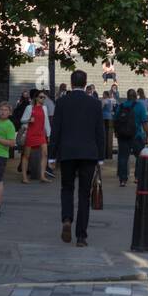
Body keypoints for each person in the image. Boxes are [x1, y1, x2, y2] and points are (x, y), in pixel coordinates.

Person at [50, 69, 105, 247]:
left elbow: (56, 130)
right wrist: (101, 157)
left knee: (66, 188)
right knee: (84, 194)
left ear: (72, 83)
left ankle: (67, 219)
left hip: (67, 153)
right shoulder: (95, 104)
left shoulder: (62, 102)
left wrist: (52, 156)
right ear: (85, 82)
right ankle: (81, 236)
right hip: (89, 154)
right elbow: (100, 133)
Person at [113, 88, 148, 187]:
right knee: (140, 156)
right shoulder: (140, 106)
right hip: (136, 136)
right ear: (136, 97)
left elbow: (115, 120)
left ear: (127, 96)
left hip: (123, 136)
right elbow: (145, 122)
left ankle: (123, 180)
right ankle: (137, 177)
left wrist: (116, 132)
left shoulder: (121, 106)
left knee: (123, 158)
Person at [19, 91, 50, 183]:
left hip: (41, 134)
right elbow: (22, 120)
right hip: (31, 134)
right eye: (41, 97)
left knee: (45, 154)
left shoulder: (44, 108)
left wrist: (48, 134)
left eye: (44, 97)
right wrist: (29, 120)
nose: (43, 99)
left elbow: (46, 122)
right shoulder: (29, 108)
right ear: (36, 98)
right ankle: (24, 177)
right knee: (26, 156)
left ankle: (42, 176)